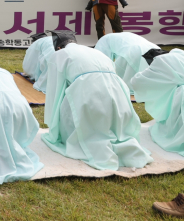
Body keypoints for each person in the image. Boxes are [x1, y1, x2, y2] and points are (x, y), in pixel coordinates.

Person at [42, 31, 153, 170]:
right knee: (116, 130)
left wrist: (53, 124)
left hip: (88, 91)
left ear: (58, 47)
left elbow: (55, 89)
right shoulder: (95, 51)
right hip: (117, 92)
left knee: (72, 109)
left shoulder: (59, 55)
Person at [94, 32, 159, 94]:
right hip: (155, 49)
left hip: (132, 51)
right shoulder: (118, 37)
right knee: (152, 78)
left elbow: (101, 62)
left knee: (127, 85)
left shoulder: (103, 41)